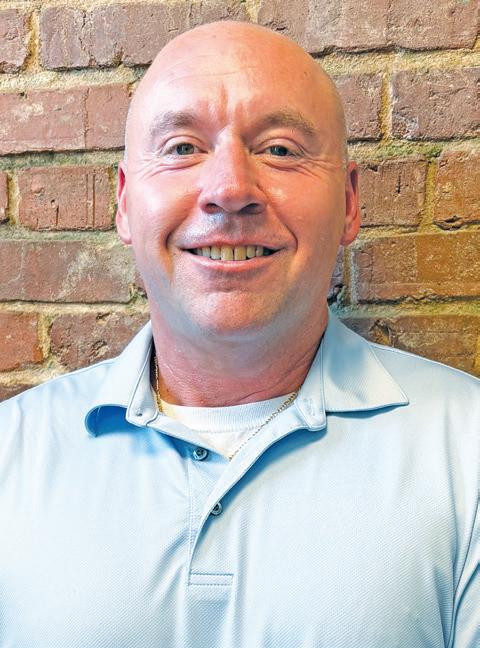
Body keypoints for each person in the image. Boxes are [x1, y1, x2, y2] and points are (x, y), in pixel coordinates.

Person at [0, 20, 478, 648]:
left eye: (279, 149)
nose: (229, 190)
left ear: (349, 203)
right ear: (124, 203)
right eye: (181, 148)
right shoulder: (10, 453)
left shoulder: (468, 451)